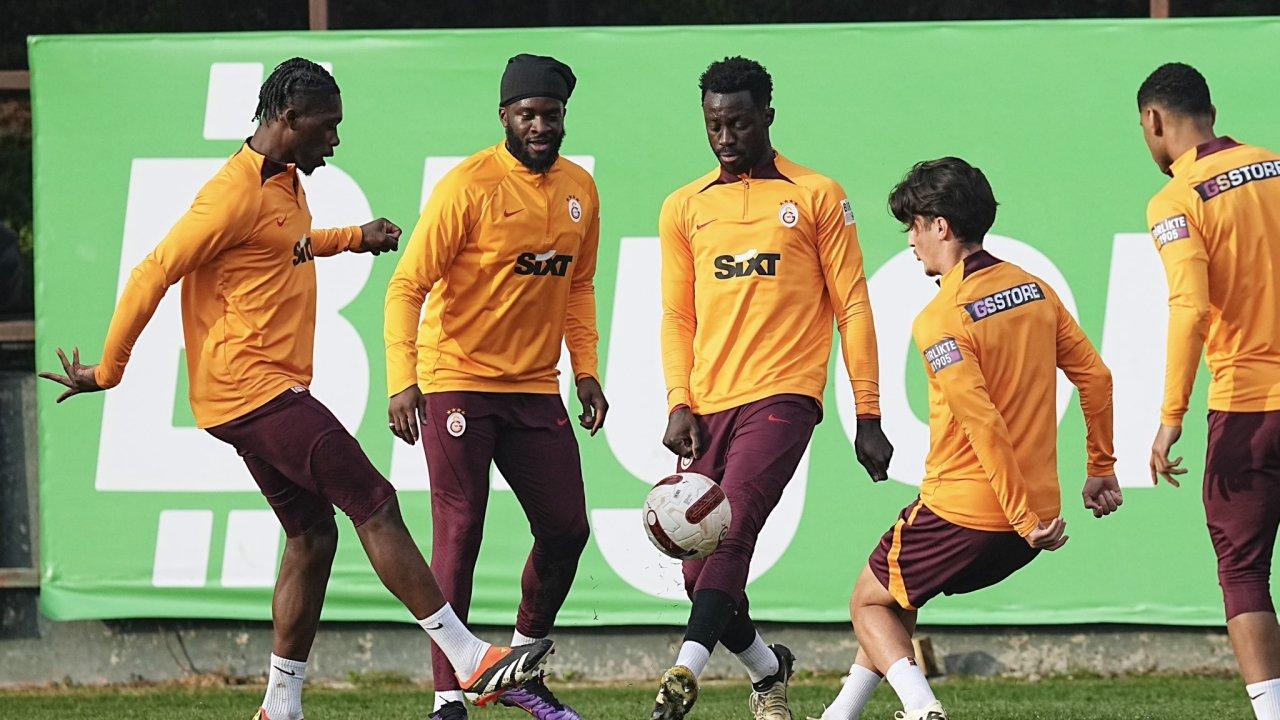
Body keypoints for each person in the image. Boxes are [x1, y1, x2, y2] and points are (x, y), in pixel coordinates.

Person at [38, 58, 551, 720]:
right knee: (374, 501)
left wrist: (354, 239)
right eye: (326, 126)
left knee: (312, 535)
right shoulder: (231, 194)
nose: (335, 140)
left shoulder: (280, 180)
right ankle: (468, 657)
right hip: (252, 391)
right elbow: (153, 271)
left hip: (249, 396)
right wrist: (109, 371)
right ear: (288, 119)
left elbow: (288, 246)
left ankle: (280, 705)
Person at [816, 157, 1120, 720]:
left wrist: (1021, 515)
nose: (911, 241)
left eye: (914, 226)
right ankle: (841, 714)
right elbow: (1097, 378)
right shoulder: (1035, 290)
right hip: (1033, 523)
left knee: (866, 601)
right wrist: (1100, 468)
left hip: (969, 512)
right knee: (897, 592)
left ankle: (922, 708)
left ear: (941, 226)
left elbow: (983, 424)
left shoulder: (942, 318)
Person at [653, 55, 893, 720]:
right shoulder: (685, 206)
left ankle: (683, 672)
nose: (725, 137)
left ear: (767, 116)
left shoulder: (816, 195)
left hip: (786, 394)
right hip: (709, 403)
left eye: (738, 123)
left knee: (733, 527)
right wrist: (678, 402)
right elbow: (677, 316)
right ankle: (767, 668)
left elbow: (852, 305)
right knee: (695, 564)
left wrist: (868, 413)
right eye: (713, 125)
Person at [383, 53, 607, 720]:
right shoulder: (469, 186)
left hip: (535, 387)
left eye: (551, 114)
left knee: (567, 530)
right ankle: (447, 697)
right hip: (457, 381)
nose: (540, 126)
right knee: (460, 530)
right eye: (527, 114)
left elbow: (579, 286)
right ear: (505, 116)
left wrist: (587, 369)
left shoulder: (580, 190)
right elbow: (407, 287)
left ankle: (520, 669)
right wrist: (403, 381)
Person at [1138, 62, 1280, 720]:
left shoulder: (1176, 199)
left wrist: (1171, 416)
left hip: (1248, 409)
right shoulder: (1275, 166)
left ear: (1154, 121)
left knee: (1244, 570)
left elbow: (1191, 307)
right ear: (1213, 114)